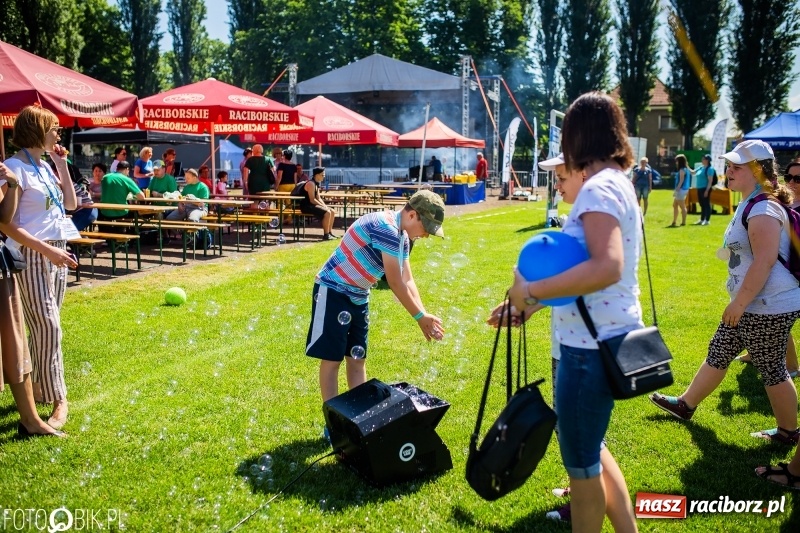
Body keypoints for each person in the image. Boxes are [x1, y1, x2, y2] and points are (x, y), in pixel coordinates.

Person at [502, 92, 641, 532]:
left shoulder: (600, 187)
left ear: (578, 136)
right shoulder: (617, 182)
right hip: (599, 339)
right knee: (593, 450)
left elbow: (606, 266)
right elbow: (583, 271)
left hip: (587, 350)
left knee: (581, 470)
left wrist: (530, 289)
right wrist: (529, 305)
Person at [650, 140, 800, 446]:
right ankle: (686, 404)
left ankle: (788, 433)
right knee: (719, 350)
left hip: (766, 305)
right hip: (752, 303)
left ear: (757, 171)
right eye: (728, 166)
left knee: (772, 369)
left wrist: (741, 302)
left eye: (736, 167)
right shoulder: (752, 201)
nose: (727, 172)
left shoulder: (764, 207)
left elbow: (765, 259)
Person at [306, 190, 446, 440]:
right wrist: (418, 318)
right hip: (334, 290)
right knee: (332, 359)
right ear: (412, 215)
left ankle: (358, 420)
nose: (426, 234)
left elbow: (407, 279)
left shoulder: (402, 237)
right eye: (426, 228)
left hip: (359, 295)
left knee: (356, 359)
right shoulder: (386, 228)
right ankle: (334, 424)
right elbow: (395, 282)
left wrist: (423, 314)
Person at [0, 105, 79, 430]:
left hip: (58, 250)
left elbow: (72, 205)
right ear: (37, 129)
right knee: (49, 327)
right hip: (32, 255)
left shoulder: (46, 166)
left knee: (47, 326)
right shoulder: (12, 167)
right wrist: (47, 250)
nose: (59, 134)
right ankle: (59, 398)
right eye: (54, 128)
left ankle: (38, 390)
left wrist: (61, 165)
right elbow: (5, 224)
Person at [0, 161, 65, 438]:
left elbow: (4, 217)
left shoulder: (13, 171)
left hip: (3, 267)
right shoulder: (18, 162)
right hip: (31, 254)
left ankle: (31, 418)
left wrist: (12, 185)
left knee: (15, 339)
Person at [299, 167, 337, 241]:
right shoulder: (311, 184)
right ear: (317, 175)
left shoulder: (316, 184)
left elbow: (318, 198)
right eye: (322, 175)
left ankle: (329, 233)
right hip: (306, 206)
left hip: (312, 205)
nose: (324, 176)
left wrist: (325, 206)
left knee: (332, 211)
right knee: (327, 212)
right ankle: (326, 235)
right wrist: (325, 208)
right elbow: (312, 200)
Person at [693, 154, 717, 225]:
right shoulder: (701, 167)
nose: (702, 160)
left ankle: (707, 220)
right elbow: (693, 172)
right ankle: (702, 219)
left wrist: (707, 190)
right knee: (702, 204)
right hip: (699, 188)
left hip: (705, 188)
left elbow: (710, 181)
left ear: (707, 160)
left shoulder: (710, 169)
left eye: (703, 159)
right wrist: (686, 165)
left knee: (706, 204)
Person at [670, 154, 693, 227]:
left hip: (681, 189)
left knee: (682, 206)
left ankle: (683, 222)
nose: (676, 162)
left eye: (677, 161)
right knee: (675, 205)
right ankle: (674, 221)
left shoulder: (682, 170)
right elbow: (693, 172)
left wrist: (677, 189)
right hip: (684, 189)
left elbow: (681, 180)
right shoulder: (686, 168)